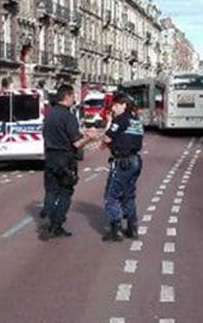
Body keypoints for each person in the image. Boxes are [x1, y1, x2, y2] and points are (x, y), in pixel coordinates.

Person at [39, 84, 99, 240]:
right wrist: (89, 138)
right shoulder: (68, 116)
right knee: (66, 192)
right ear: (67, 97)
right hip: (65, 159)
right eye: (73, 96)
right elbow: (76, 143)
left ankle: (48, 213)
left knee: (51, 191)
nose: (74, 99)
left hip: (50, 157)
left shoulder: (49, 115)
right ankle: (56, 225)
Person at [100, 92, 144, 242]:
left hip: (122, 161)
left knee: (111, 196)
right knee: (128, 194)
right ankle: (132, 228)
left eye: (115, 105)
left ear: (123, 105)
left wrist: (110, 122)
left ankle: (115, 229)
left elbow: (106, 138)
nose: (113, 108)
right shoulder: (136, 119)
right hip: (135, 160)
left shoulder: (121, 119)